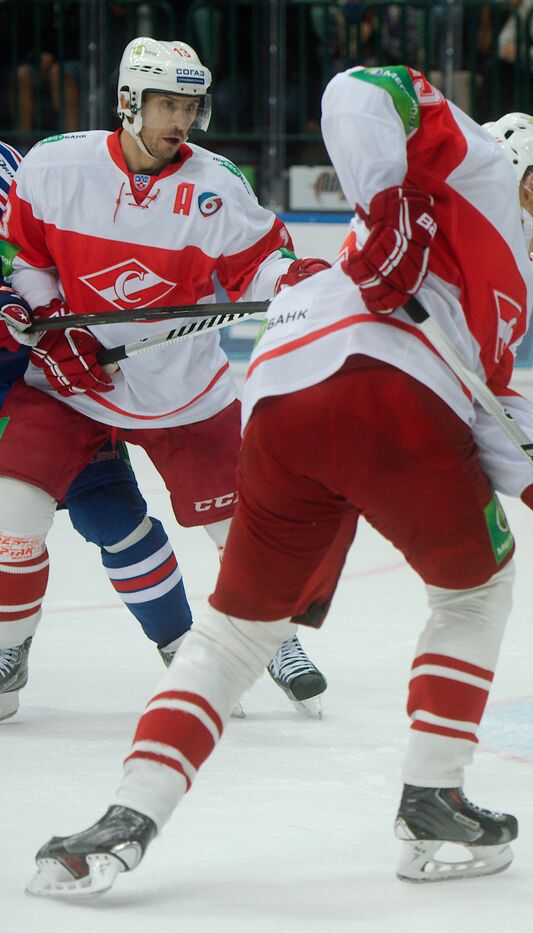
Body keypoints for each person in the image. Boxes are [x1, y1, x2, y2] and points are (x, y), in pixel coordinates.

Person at [27, 65, 533, 898]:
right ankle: (433, 796)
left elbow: (491, 403)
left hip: (282, 408)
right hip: (387, 400)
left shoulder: (507, 289)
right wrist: (386, 201)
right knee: (475, 591)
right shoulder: (476, 162)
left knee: (236, 633)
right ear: (532, 177)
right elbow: (360, 89)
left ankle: (126, 815)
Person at [0, 37, 329, 721]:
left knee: (238, 529)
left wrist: (293, 280)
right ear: (128, 102)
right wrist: (54, 324)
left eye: (189, 106)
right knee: (12, 515)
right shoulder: (55, 166)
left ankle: (275, 639)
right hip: (72, 386)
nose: (181, 120)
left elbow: (259, 265)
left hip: (182, 391)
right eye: (167, 105)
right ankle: (8, 648)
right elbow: (25, 257)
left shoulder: (216, 185)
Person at [0, 138, 211, 722]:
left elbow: (45, 257)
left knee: (115, 520)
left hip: (52, 395)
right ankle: (8, 650)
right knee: (12, 532)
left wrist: (58, 323)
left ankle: (183, 649)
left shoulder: (16, 166)